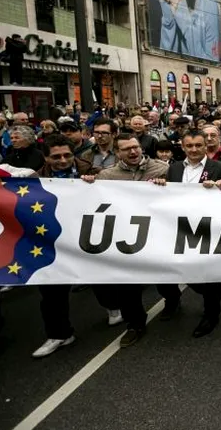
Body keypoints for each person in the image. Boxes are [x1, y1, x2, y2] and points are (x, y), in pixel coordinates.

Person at [31, 134, 118, 358]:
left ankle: (113, 307)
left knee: (99, 280)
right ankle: (59, 334)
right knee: (51, 292)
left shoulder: (92, 172)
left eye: (67, 155)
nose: (62, 160)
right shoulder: (34, 181)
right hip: (53, 244)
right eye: (56, 157)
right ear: (45, 157)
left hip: (89, 238)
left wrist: (96, 184)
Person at [88, 134, 170, 347]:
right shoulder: (107, 176)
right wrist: (86, 185)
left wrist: (166, 184)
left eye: (135, 147)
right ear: (118, 153)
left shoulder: (162, 168)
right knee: (126, 284)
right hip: (125, 237)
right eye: (126, 149)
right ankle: (135, 324)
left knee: (165, 277)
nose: (133, 152)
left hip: (159, 233)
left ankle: (172, 300)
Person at [160, 130, 221, 337]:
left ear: (205, 146)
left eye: (198, 145)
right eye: (189, 146)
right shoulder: (172, 169)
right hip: (180, 228)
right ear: (182, 147)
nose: (194, 150)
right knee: (185, 272)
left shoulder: (220, 168)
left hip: (209, 229)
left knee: (209, 276)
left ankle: (211, 314)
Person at [155, 0, 220, 62]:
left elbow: (212, 62)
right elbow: (165, 56)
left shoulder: (210, 4)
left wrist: (179, 10)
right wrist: (167, 9)